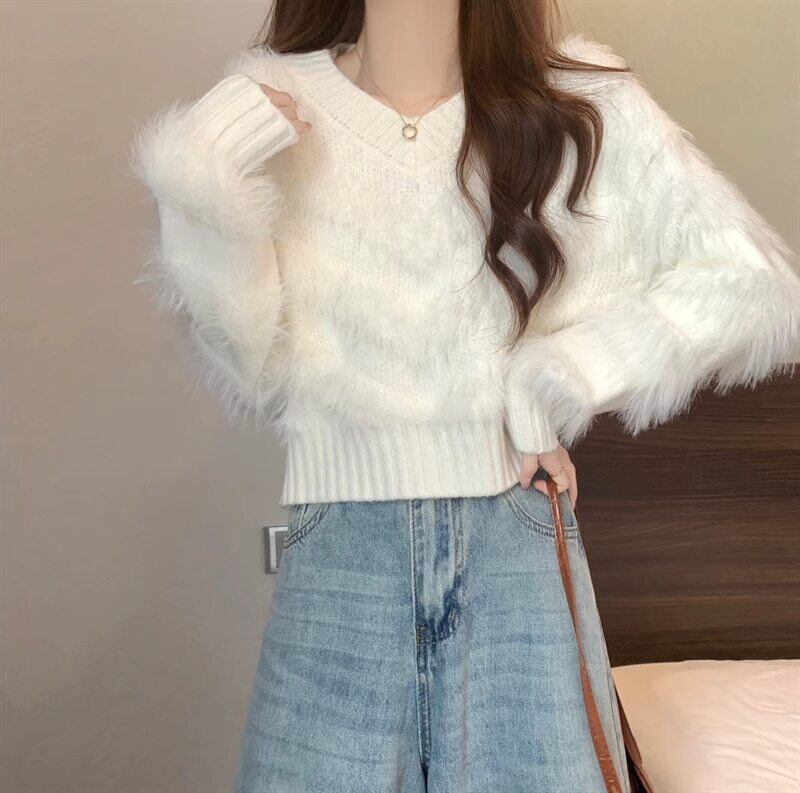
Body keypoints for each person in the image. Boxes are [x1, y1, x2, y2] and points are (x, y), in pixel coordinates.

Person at [130, 1, 800, 791]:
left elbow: (747, 278)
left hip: (513, 542)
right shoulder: (271, 102)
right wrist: (202, 180)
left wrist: (557, 374)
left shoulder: (579, 97)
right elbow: (251, 361)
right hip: (342, 556)